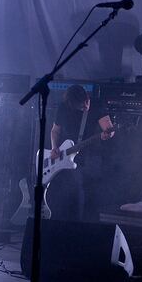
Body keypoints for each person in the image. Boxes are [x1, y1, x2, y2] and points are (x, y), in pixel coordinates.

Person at [47, 84, 114, 222]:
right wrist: (54, 148)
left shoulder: (97, 105)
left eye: (86, 102)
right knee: (67, 197)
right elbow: (55, 131)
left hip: (90, 157)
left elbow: (109, 129)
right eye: (81, 106)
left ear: (87, 97)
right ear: (71, 104)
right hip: (66, 157)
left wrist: (108, 133)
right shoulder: (63, 108)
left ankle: (84, 228)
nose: (85, 106)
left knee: (86, 196)